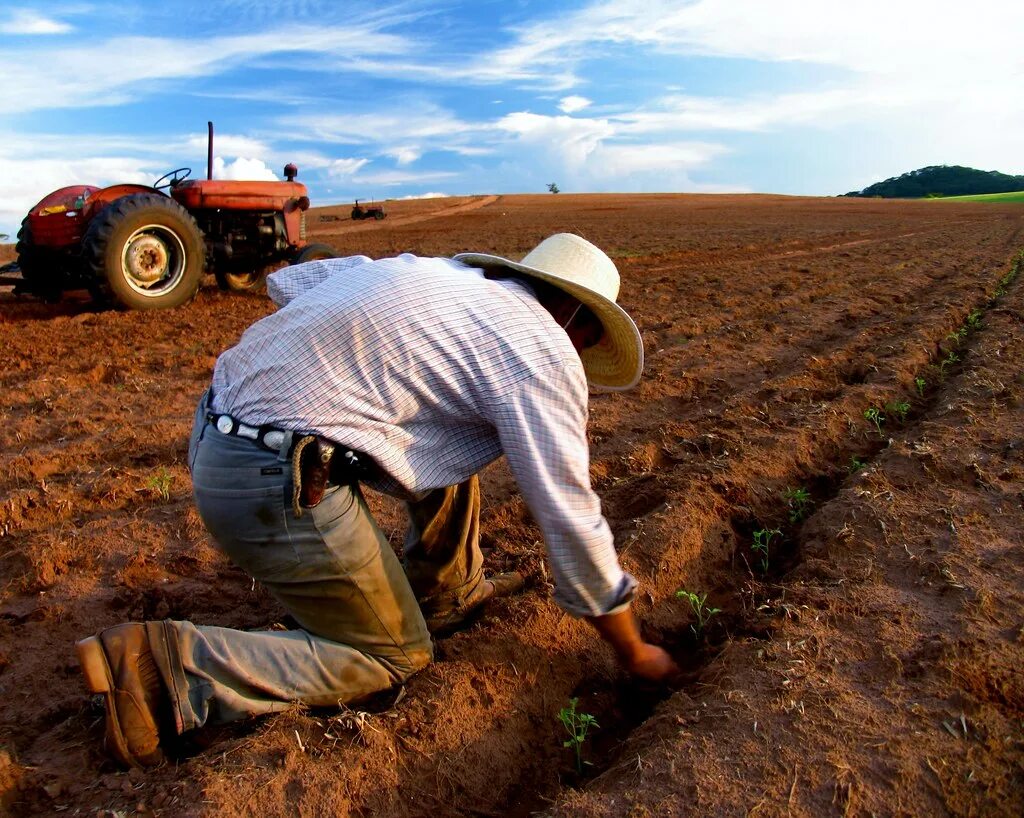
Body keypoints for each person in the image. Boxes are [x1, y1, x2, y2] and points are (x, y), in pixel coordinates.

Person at [75, 232, 680, 768]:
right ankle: (162, 671)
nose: (579, 354)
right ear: (576, 318)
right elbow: (569, 515)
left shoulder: (434, 272)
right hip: (274, 480)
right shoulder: (540, 350)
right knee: (395, 657)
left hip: (216, 435)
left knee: (451, 429)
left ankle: (448, 591)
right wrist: (633, 649)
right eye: (588, 339)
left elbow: (292, 281)